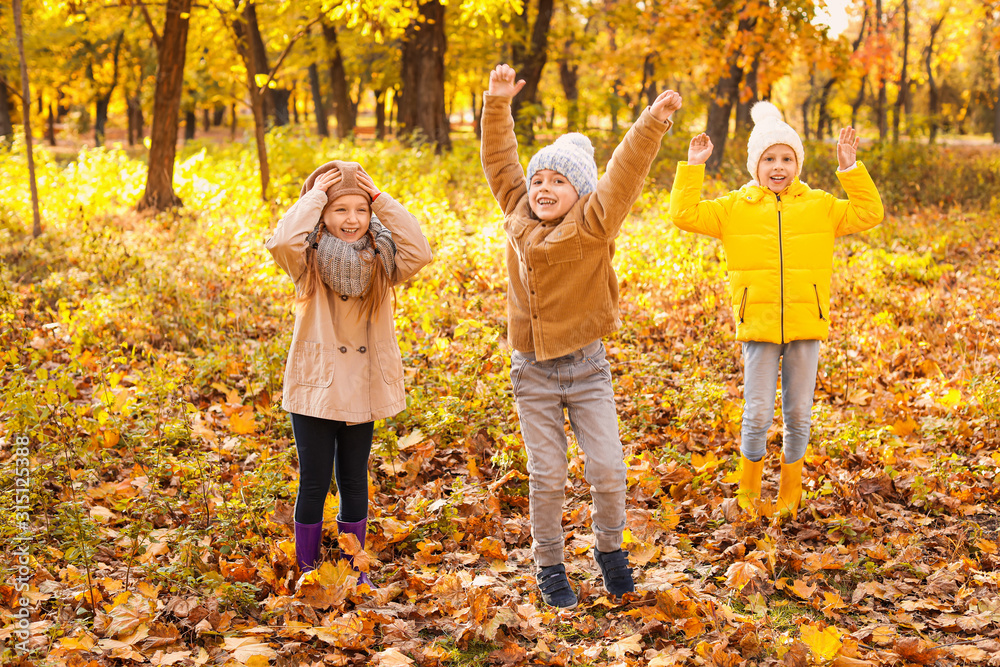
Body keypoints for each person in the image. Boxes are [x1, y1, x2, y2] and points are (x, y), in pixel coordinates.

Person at [481, 63, 682, 608]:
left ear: (581, 192)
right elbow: (500, 161)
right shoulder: (518, 214)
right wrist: (497, 102)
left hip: (588, 368)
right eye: (539, 179)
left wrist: (652, 123)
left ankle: (610, 553)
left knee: (608, 470)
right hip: (533, 371)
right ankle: (549, 564)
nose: (543, 187)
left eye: (558, 180)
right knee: (546, 475)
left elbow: (624, 173)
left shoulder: (596, 223)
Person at [668, 101, 884, 519]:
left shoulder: (820, 205)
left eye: (787, 157)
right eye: (770, 158)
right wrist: (694, 167)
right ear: (756, 165)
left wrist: (850, 169)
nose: (779, 166)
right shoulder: (734, 208)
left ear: (798, 163)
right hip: (759, 326)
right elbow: (683, 213)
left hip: (806, 324)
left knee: (798, 414)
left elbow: (870, 212)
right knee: (757, 413)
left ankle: (790, 492)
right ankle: (748, 492)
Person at [266, 161, 432, 584]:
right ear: (323, 215)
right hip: (317, 386)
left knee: (355, 480)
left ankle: (354, 568)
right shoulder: (307, 261)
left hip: (361, 386)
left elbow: (420, 250)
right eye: (340, 210)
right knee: (314, 482)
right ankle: (307, 570)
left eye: (360, 210)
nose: (352, 219)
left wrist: (381, 199)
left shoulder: (382, 259)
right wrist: (314, 196)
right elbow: (282, 240)